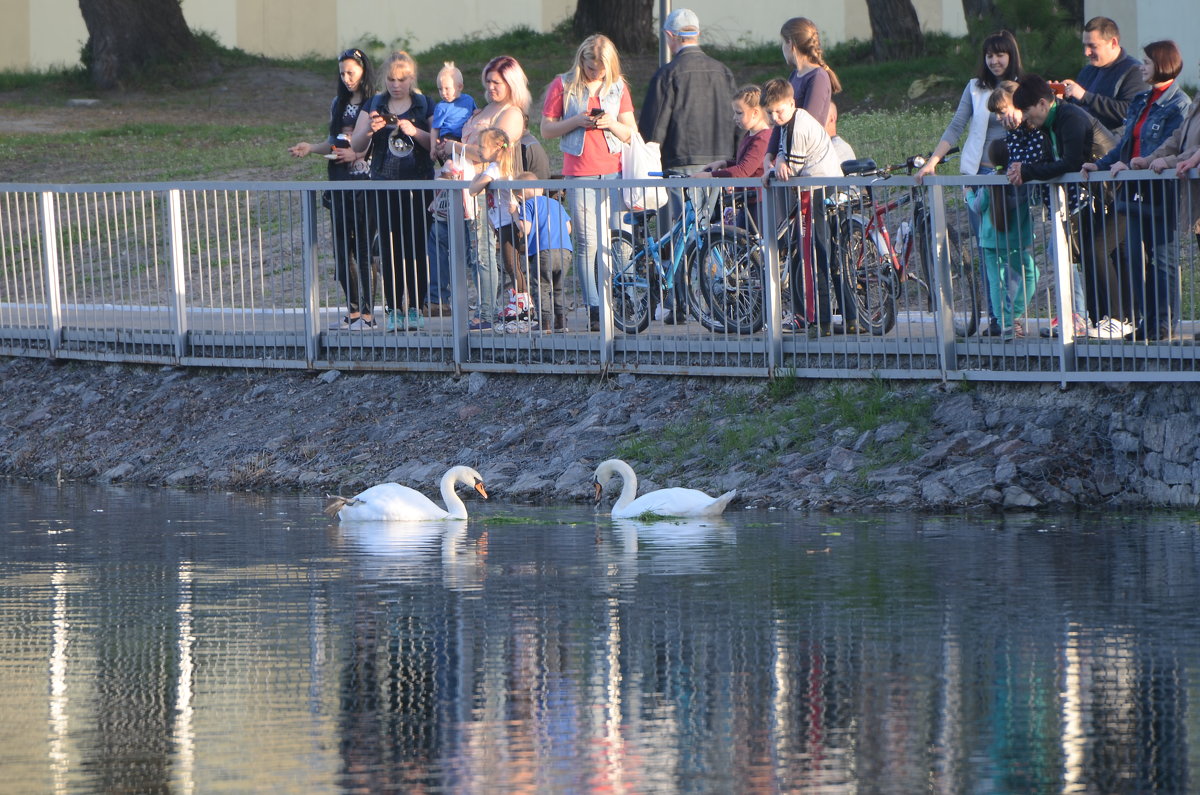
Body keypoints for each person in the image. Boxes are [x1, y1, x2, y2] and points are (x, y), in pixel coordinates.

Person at [916, 30, 1023, 335]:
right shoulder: (975, 88)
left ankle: (1011, 314)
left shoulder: (1021, 88)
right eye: (989, 55)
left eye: (1000, 54)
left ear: (1011, 55)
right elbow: (956, 125)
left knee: (1012, 248)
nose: (994, 60)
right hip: (980, 177)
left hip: (1012, 176)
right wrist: (933, 161)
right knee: (987, 247)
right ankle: (996, 318)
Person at [1082, 40, 1189, 341]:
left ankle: (1164, 323)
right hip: (1133, 188)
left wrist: (1135, 165)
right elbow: (1124, 143)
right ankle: (1146, 321)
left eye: (1147, 62)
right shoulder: (1141, 99)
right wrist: (1101, 164)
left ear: (1162, 64)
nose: (1141, 67)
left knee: (1162, 258)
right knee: (1136, 257)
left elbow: (1171, 145)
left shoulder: (1178, 103)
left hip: (1161, 189)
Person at [541, 34, 638, 332]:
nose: (595, 73)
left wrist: (611, 123)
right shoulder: (564, 84)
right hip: (580, 172)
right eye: (590, 67)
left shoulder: (618, 86)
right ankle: (595, 306)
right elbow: (546, 128)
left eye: (600, 69)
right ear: (581, 60)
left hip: (614, 171)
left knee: (621, 240)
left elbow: (631, 133)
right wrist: (576, 122)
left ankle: (626, 298)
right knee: (588, 243)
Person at [1008, 74, 1103, 338]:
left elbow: (1071, 162)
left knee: (1067, 254)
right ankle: (1079, 316)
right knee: (1062, 253)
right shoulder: (1048, 123)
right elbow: (1050, 160)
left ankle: (1082, 316)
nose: (1026, 118)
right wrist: (1024, 169)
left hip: (1096, 197)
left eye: (1027, 111)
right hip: (1076, 198)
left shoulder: (1069, 117)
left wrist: (1027, 172)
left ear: (1041, 103)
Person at [289, 47, 377, 330]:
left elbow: (375, 142)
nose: (347, 78)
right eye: (342, 73)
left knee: (363, 249)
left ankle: (367, 313)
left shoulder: (375, 102)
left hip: (365, 182)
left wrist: (359, 155)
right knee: (342, 251)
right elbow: (333, 142)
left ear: (364, 71)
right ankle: (352, 311)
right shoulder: (338, 103)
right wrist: (311, 148)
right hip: (339, 182)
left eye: (351, 72)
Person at [350, 50, 434, 333]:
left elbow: (434, 148)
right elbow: (358, 146)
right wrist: (371, 130)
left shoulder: (423, 105)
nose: (395, 84)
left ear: (411, 79)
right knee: (389, 249)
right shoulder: (376, 103)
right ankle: (393, 308)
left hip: (418, 183)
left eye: (401, 79)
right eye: (390, 79)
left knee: (416, 248)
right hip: (384, 183)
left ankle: (416, 307)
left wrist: (415, 132)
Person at [760, 77, 848, 335]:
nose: (775, 117)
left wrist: (772, 171)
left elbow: (792, 170)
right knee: (817, 254)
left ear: (792, 103)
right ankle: (824, 319)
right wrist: (777, 164)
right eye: (771, 113)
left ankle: (818, 321)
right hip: (818, 188)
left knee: (812, 256)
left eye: (779, 110)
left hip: (815, 190)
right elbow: (784, 161)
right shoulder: (792, 121)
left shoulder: (797, 126)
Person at [457, 55, 532, 331]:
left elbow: (497, 152)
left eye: (496, 82)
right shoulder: (486, 108)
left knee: (487, 253)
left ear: (510, 83)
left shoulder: (510, 113)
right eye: (487, 81)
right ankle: (491, 307)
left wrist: (457, 147)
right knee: (474, 254)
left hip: (492, 193)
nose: (490, 87)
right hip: (472, 188)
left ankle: (488, 311)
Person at [966, 139, 1039, 340]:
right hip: (1015, 241)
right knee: (1031, 273)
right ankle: (1014, 314)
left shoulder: (988, 181)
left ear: (990, 159)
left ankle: (1005, 323)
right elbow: (1032, 200)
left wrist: (968, 196)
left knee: (995, 282)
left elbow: (978, 207)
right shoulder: (1020, 181)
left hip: (990, 241)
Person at [468, 127, 531, 332]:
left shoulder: (495, 169)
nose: (478, 150)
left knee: (512, 265)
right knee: (510, 264)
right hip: (501, 222)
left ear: (497, 147)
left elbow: (472, 189)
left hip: (508, 222)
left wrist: (480, 179)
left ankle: (523, 306)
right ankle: (519, 301)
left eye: (481, 146)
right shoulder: (498, 166)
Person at [1059, 16, 1149, 134]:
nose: (1086, 52)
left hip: (1114, 148)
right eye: (1085, 45)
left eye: (1093, 46)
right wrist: (1061, 99)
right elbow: (1078, 111)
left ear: (1113, 43)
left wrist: (1085, 96)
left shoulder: (1135, 72)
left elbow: (1131, 111)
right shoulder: (1088, 71)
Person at [699, 84, 771, 229]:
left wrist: (711, 176)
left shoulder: (762, 138)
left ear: (755, 113)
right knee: (743, 245)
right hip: (748, 200)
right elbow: (748, 163)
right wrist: (725, 163)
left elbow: (744, 170)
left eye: (739, 113)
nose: (734, 118)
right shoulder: (751, 135)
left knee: (754, 245)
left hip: (760, 202)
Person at [514, 172, 574, 333]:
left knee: (542, 287)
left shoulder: (528, 205)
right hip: (564, 250)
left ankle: (545, 322)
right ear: (540, 188)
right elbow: (568, 228)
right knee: (559, 287)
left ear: (520, 195)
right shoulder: (555, 203)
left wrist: (514, 213)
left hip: (543, 252)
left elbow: (525, 228)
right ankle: (561, 321)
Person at [429, 62, 478, 159]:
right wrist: (433, 147)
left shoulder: (468, 100)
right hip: (449, 137)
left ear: (459, 87)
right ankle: (450, 168)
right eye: (440, 89)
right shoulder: (441, 107)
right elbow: (435, 129)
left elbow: (475, 113)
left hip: (466, 135)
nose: (443, 93)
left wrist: (479, 113)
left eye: (447, 89)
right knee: (452, 156)